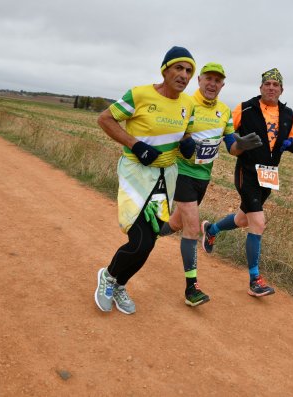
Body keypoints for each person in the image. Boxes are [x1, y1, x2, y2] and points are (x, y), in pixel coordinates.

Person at [94, 46, 198, 315]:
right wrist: (135, 144)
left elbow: (185, 133)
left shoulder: (188, 104)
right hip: (136, 173)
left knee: (149, 240)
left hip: (166, 177)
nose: (184, 75)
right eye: (178, 68)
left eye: (189, 71)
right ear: (165, 69)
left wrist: (188, 145)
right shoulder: (139, 94)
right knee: (139, 239)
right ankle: (108, 275)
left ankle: (120, 284)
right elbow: (105, 119)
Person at [158, 62, 262, 307]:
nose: (212, 84)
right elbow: (168, 133)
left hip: (203, 178)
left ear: (222, 85)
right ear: (199, 80)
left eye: (218, 81)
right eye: (209, 79)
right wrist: (182, 142)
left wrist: (242, 145)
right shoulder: (185, 103)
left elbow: (232, 148)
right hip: (180, 173)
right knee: (192, 228)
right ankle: (191, 288)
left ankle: (150, 231)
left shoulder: (224, 112)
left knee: (175, 223)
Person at [201, 68, 293, 297]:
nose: (271, 88)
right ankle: (255, 279)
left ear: (281, 89)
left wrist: (291, 145)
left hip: (269, 175)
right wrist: (237, 141)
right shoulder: (244, 108)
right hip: (247, 172)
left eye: (276, 85)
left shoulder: (289, 114)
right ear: (261, 88)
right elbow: (227, 131)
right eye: (268, 84)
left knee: (243, 218)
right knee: (258, 222)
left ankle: (211, 229)